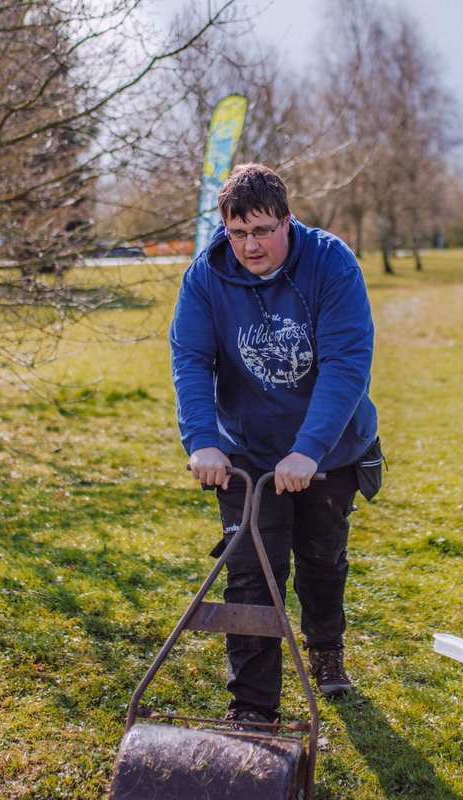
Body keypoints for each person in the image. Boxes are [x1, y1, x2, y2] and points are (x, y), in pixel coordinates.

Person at [170, 162, 382, 728]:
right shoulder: (206, 275)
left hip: (331, 447)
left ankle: (325, 649)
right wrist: (202, 440)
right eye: (238, 233)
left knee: (321, 556)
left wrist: (309, 449)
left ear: (287, 220)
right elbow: (191, 359)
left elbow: (346, 362)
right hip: (248, 448)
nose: (250, 245)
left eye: (263, 230)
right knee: (250, 572)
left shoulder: (330, 261)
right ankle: (252, 707)